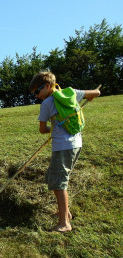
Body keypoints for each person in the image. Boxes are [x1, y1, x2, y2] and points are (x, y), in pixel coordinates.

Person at [29, 72, 100, 232]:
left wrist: (53, 128)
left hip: (62, 147)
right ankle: (65, 212)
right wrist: (90, 96)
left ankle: (64, 223)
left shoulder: (47, 104)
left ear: (47, 86)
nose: (36, 96)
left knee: (60, 183)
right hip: (76, 145)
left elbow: (42, 129)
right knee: (55, 179)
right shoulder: (70, 93)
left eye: (37, 91)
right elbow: (96, 92)